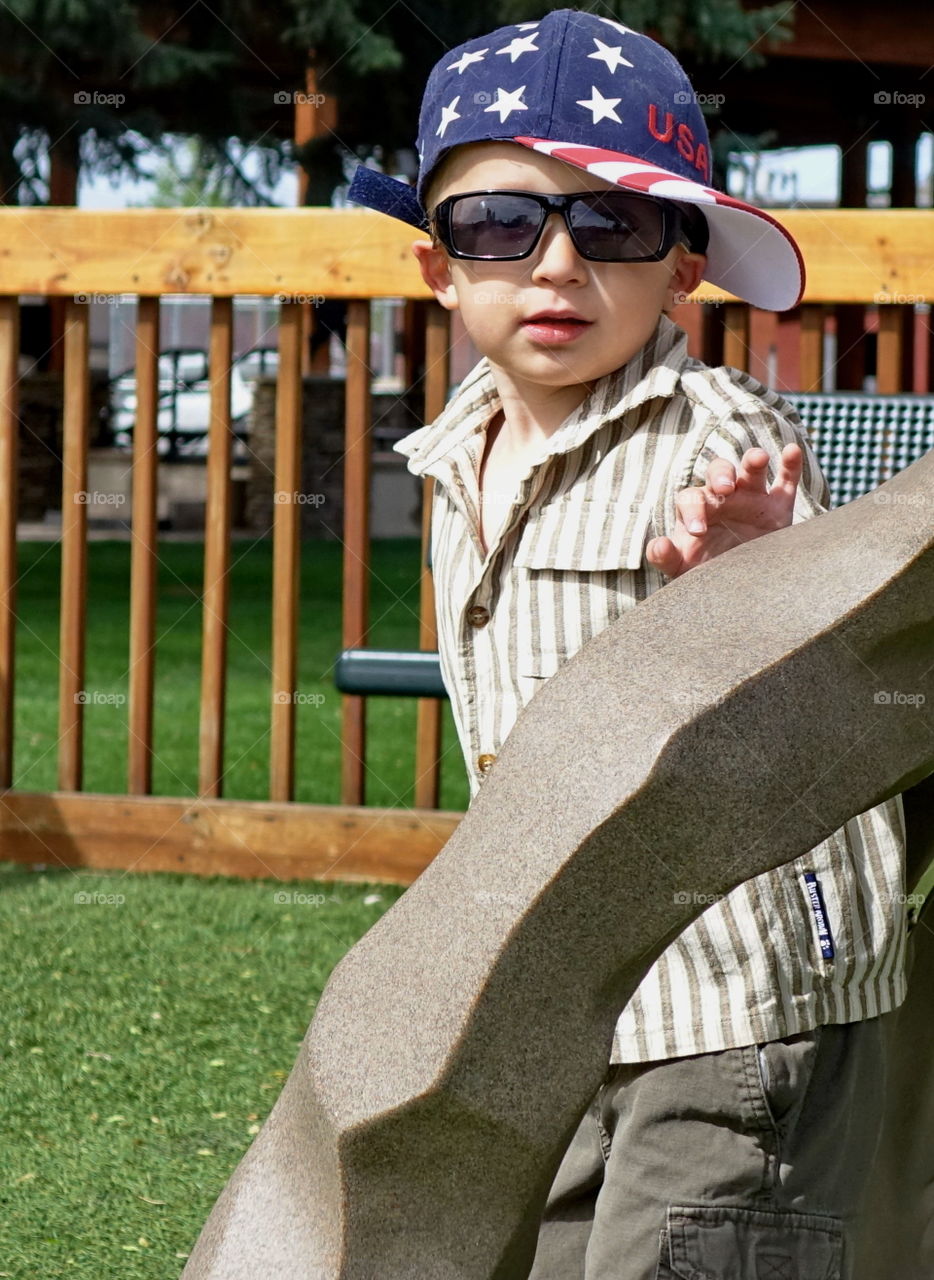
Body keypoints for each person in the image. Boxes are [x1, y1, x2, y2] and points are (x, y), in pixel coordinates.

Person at [348, 11, 906, 1277]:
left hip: (737, 997)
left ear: (683, 272)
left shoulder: (718, 441)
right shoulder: (456, 450)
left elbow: (839, 680)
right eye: (501, 221)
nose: (555, 263)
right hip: (570, 992)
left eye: (614, 223)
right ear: (440, 266)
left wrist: (762, 571)